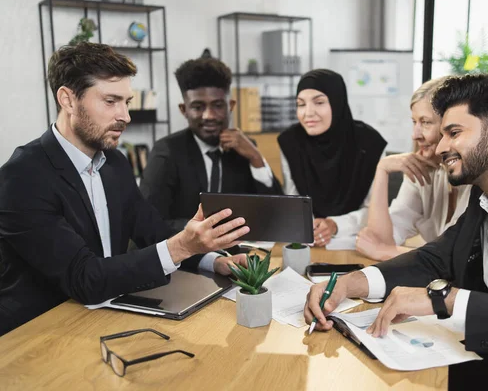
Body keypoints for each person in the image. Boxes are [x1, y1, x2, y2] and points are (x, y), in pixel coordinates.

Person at [304, 73, 488, 390]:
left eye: (454, 133)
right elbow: (437, 257)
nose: (441, 146)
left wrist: (444, 299)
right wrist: (349, 284)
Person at [0, 43, 250, 336]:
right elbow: (85, 278)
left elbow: (153, 232)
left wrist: (213, 260)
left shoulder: (115, 163)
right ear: (67, 100)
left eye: (126, 102)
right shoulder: (21, 178)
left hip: (109, 315)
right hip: (41, 335)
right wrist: (182, 245)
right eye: (110, 101)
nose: (125, 116)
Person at [140, 56, 282, 234]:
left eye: (217, 105)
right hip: (186, 257)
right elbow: (148, 221)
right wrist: (209, 230)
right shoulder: (167, 152)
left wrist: (256, 157)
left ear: (230, 106)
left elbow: (277, 213)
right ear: (184, 110)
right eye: (198, 107)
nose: (209, 115)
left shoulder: (244, 148)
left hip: (238, 253)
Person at [356, 77, 471, 261]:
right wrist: (382, 169)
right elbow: (380, 238)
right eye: (414, 122)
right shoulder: (422, 169)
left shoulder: (474, 176)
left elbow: (453, 259)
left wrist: (389, 252)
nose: (415, 134)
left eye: (425, 122)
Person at [277, 69, 387, 247]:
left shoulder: (370, 144)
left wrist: (335, 225)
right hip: (307, 243)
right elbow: (293, 201)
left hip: (356, 243)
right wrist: (310, 227)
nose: (308, 113)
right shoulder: (290, 142)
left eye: (319, 102)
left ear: (337, 102)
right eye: (301, 104)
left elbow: (375, 210)